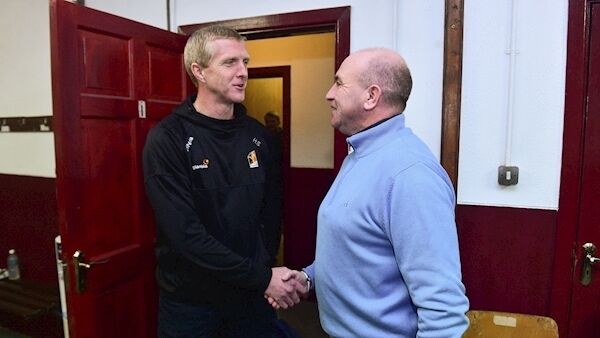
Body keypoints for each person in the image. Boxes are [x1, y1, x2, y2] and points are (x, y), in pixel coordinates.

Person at [273, 48, 470, 337]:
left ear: (371, 96)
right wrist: (308, 278)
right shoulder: (361, 153)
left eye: (339, 83)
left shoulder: (410, 174)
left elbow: (444, 310)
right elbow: (357, 247)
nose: (329, 94)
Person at [143, 25, 301, 338]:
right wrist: (262, 277)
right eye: (230, 63)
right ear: (198, 71)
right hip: (191, 305)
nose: (243, 72)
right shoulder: (168, 139)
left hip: (249, 298)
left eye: (245, 62)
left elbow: (270, 216)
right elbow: (185, 235)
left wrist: (263, 272)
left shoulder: (259, 136)